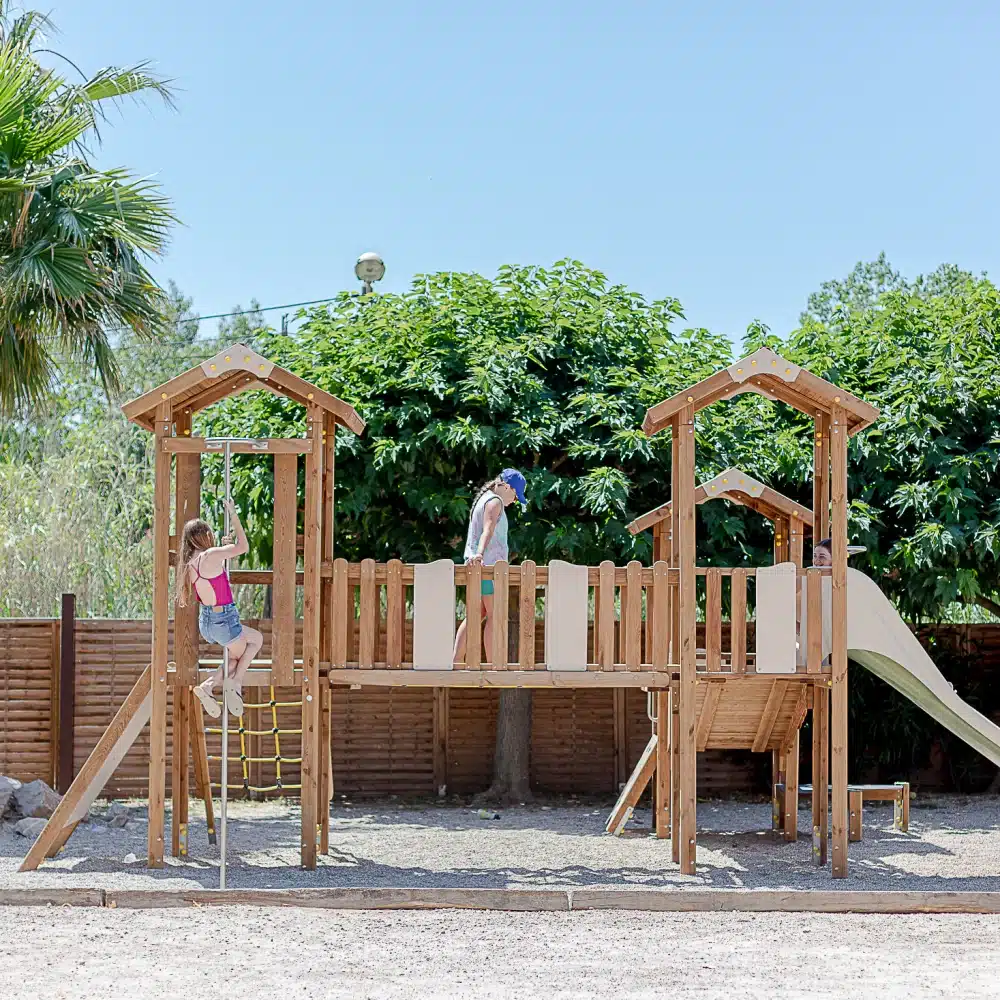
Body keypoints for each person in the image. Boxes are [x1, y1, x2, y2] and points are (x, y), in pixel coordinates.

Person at [175, 499, 263, 718]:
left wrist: (225, 546)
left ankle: (209, 686)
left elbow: (215, 577)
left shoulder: (190, 564)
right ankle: (235, 682)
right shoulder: (211, 555)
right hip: (223, 619)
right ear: (204, 536)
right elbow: (244, 547)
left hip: (207, 623)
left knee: (236, 655)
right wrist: (233, 513)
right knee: (255, 642)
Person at [452, 469, 528, 666]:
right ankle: (494, 664)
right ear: (506, 487)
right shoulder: (495, 502)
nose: (515, 500)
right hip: (487, 569)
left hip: (479, 568)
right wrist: (479, 554)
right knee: (496, 614)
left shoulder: (484, 499)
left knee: (477, 614)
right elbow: (488, 529)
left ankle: (457, 660)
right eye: (515, 495)